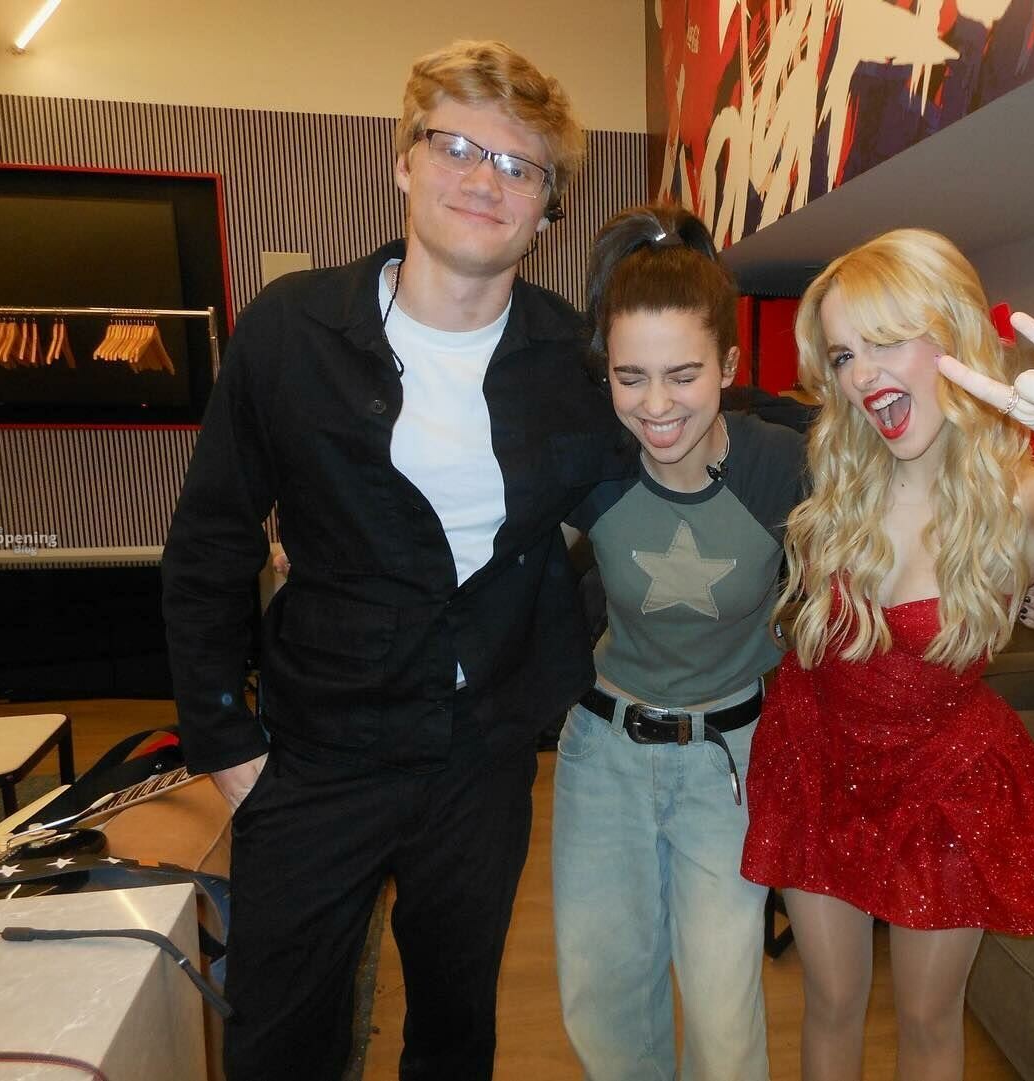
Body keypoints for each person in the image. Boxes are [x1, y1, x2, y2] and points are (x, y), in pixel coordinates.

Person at [160, 40, 628, 1081]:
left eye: (519, 166)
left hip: (482, 761)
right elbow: (211, 543)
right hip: (314, 751)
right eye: (456, 146)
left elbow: (681, 450)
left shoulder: (575, 362)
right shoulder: (292, 331)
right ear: (403, 159)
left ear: (547, 209)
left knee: (455, 1035)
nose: (484, 180)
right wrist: (223, 741)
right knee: (281, 1041)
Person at [740, 228, 1034, 1081]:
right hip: (819, 758)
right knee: (831, 1001)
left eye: (886, 341)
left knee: (929, 1019)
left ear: (953, 338)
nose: (861, 375)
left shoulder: (1011, 506)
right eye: (845, 354)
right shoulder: (838, 479)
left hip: (943, 783)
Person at [549, 204, 804, 1081]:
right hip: (603, 755)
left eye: (683, 374)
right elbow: (491, 552)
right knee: (605, 1006)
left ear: (729, 365)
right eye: (631, 377)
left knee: (726, 1023)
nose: (655, 407)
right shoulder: (596, 461)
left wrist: (1021, 571)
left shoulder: (781, 464)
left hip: (729, 764)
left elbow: (897, 538)